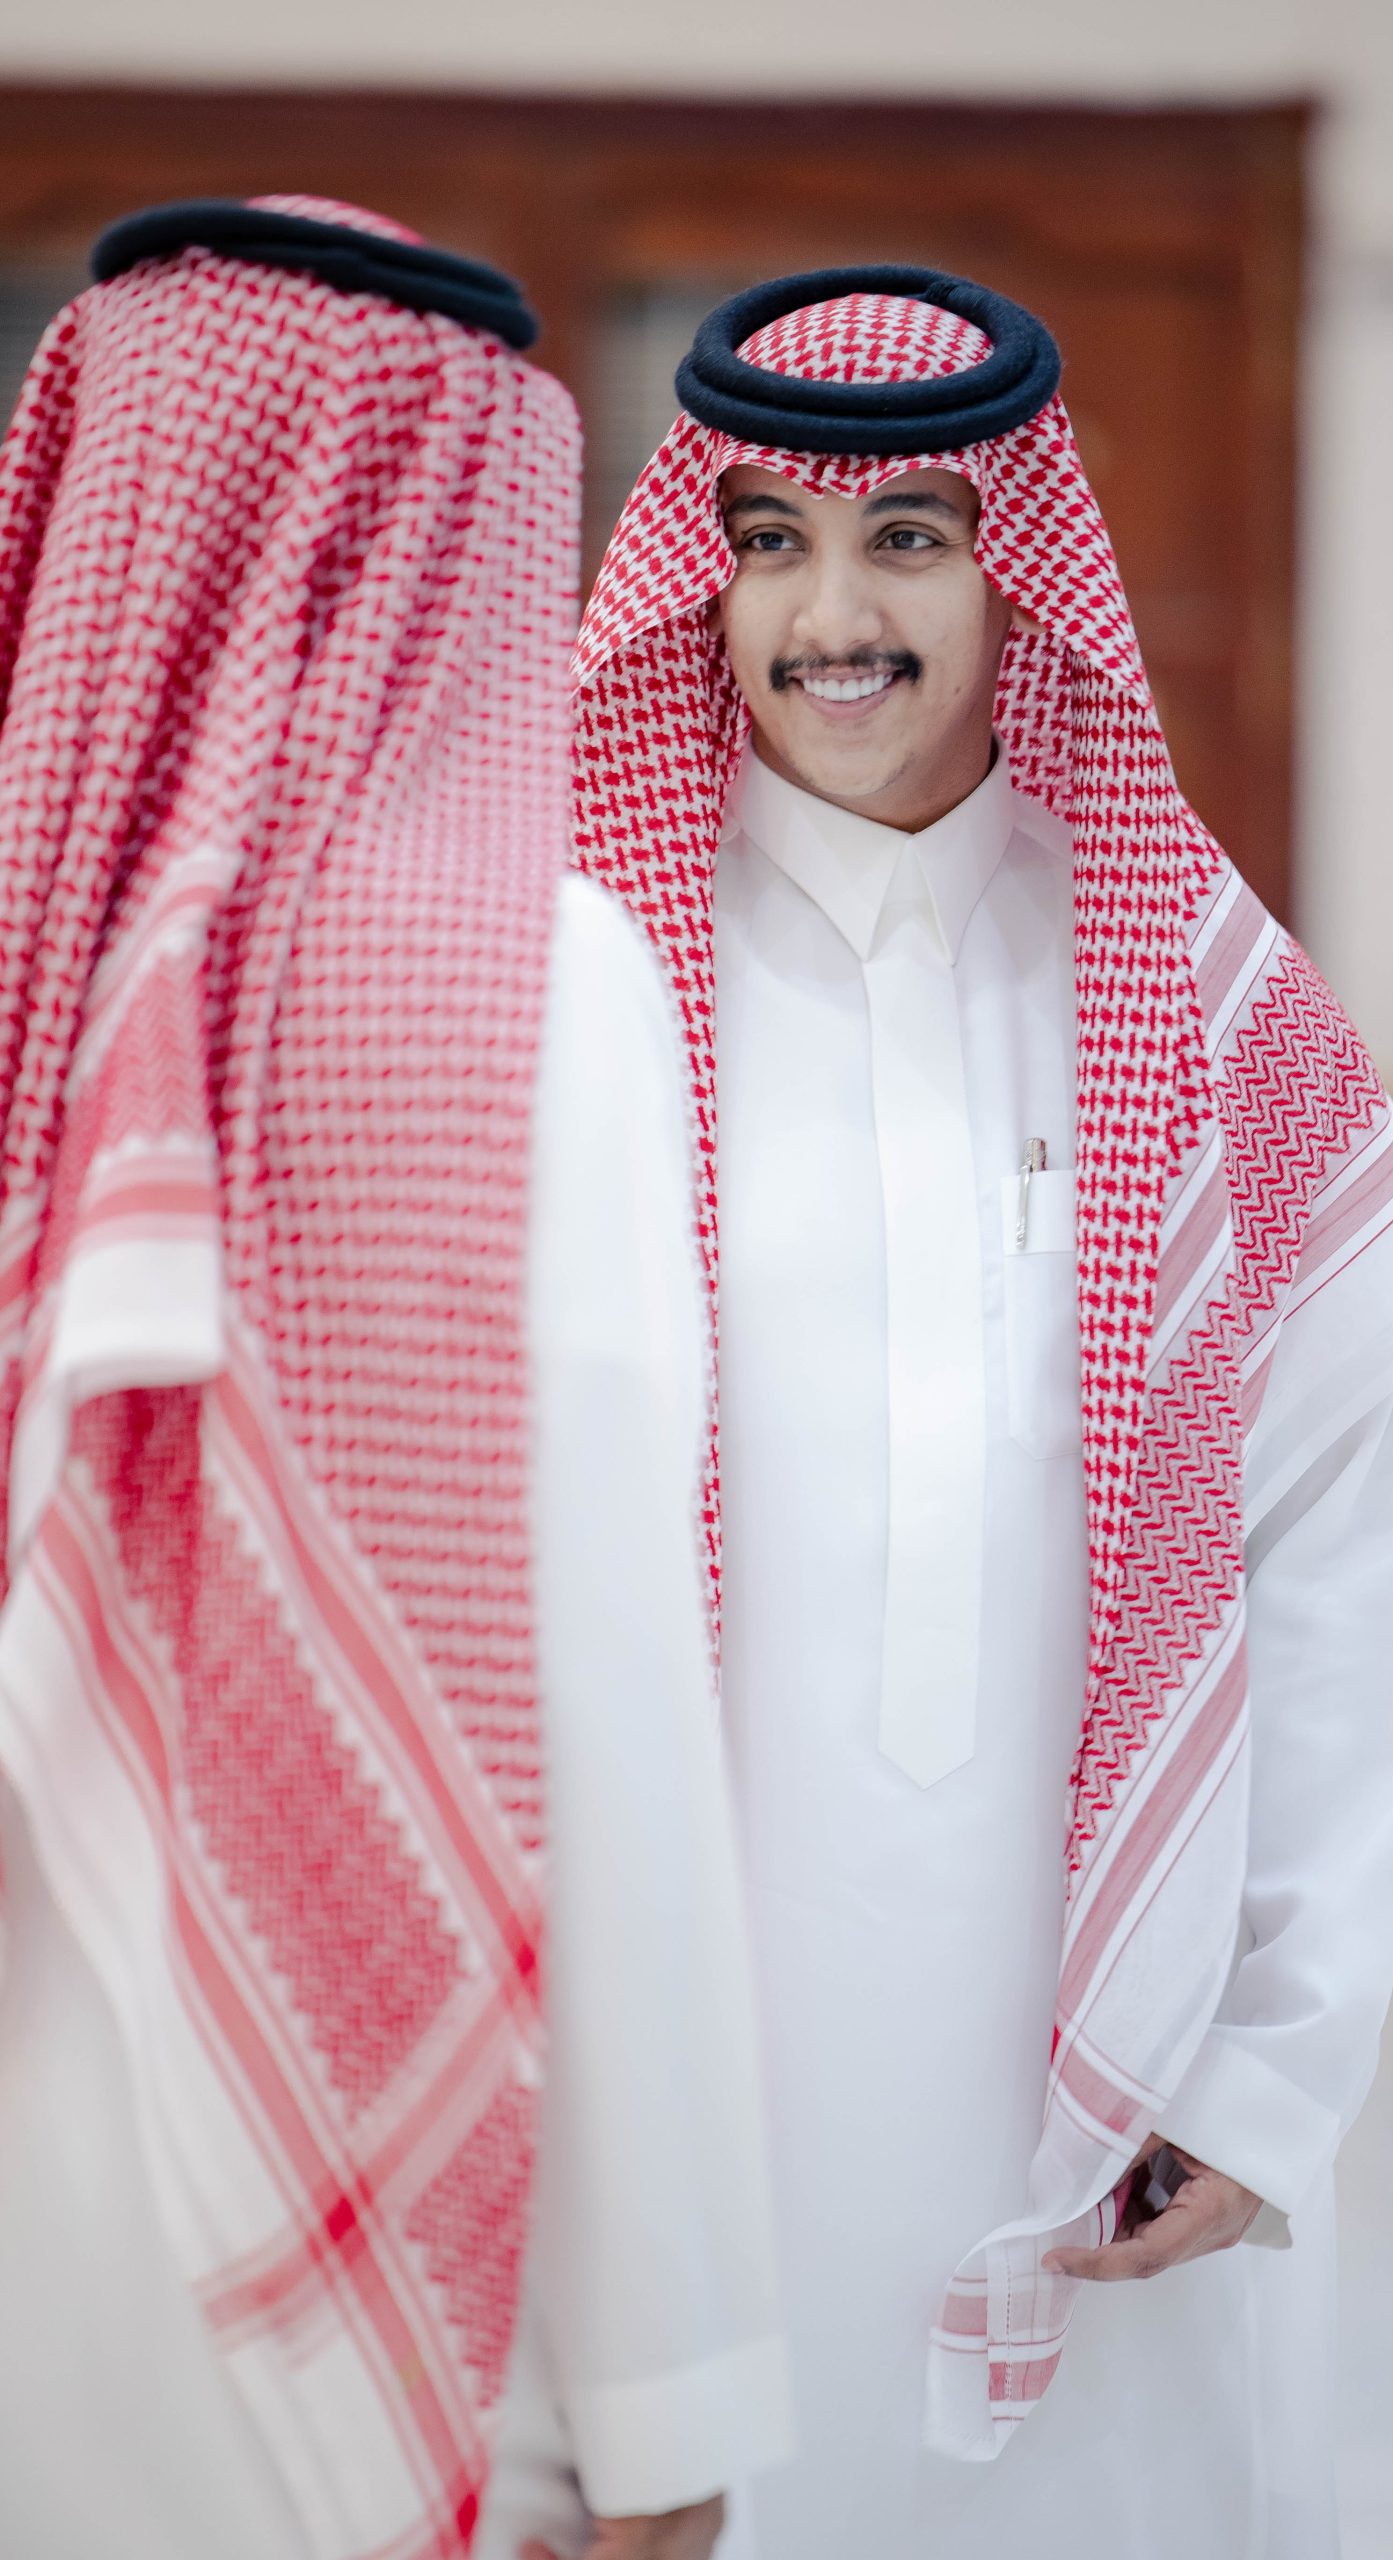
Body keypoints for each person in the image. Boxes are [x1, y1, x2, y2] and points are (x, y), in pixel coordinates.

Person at [530, 266, 1393, 2560]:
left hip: (1109, 2088)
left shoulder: (1204, 997)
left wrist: (1268, 2059)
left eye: (907, 540)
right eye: (765, 541)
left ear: (1015, 572)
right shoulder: (573, 984)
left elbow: (1336, 1568)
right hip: (683, 2069)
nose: (828, 614)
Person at [0, 201, 788, 2560]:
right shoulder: (539, 986)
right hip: (305, 2248)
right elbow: (601, 1702)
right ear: (466, 521)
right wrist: (664, 2380)